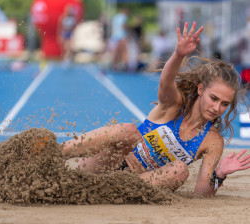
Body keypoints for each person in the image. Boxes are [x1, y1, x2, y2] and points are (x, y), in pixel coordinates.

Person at [62, 22, 250, 196]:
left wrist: (219, 174)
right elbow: (166, 83)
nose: (217, 108)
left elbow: (201, 193)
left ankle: (105, 191)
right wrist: (178, 55)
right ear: (201, 89)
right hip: (107, 164)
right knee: (127, 130)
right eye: (214, 98)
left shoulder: (213, 141)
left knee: (180, 171)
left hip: (131, 185)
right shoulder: (173, 106)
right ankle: (54, 153)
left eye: (224, 104)